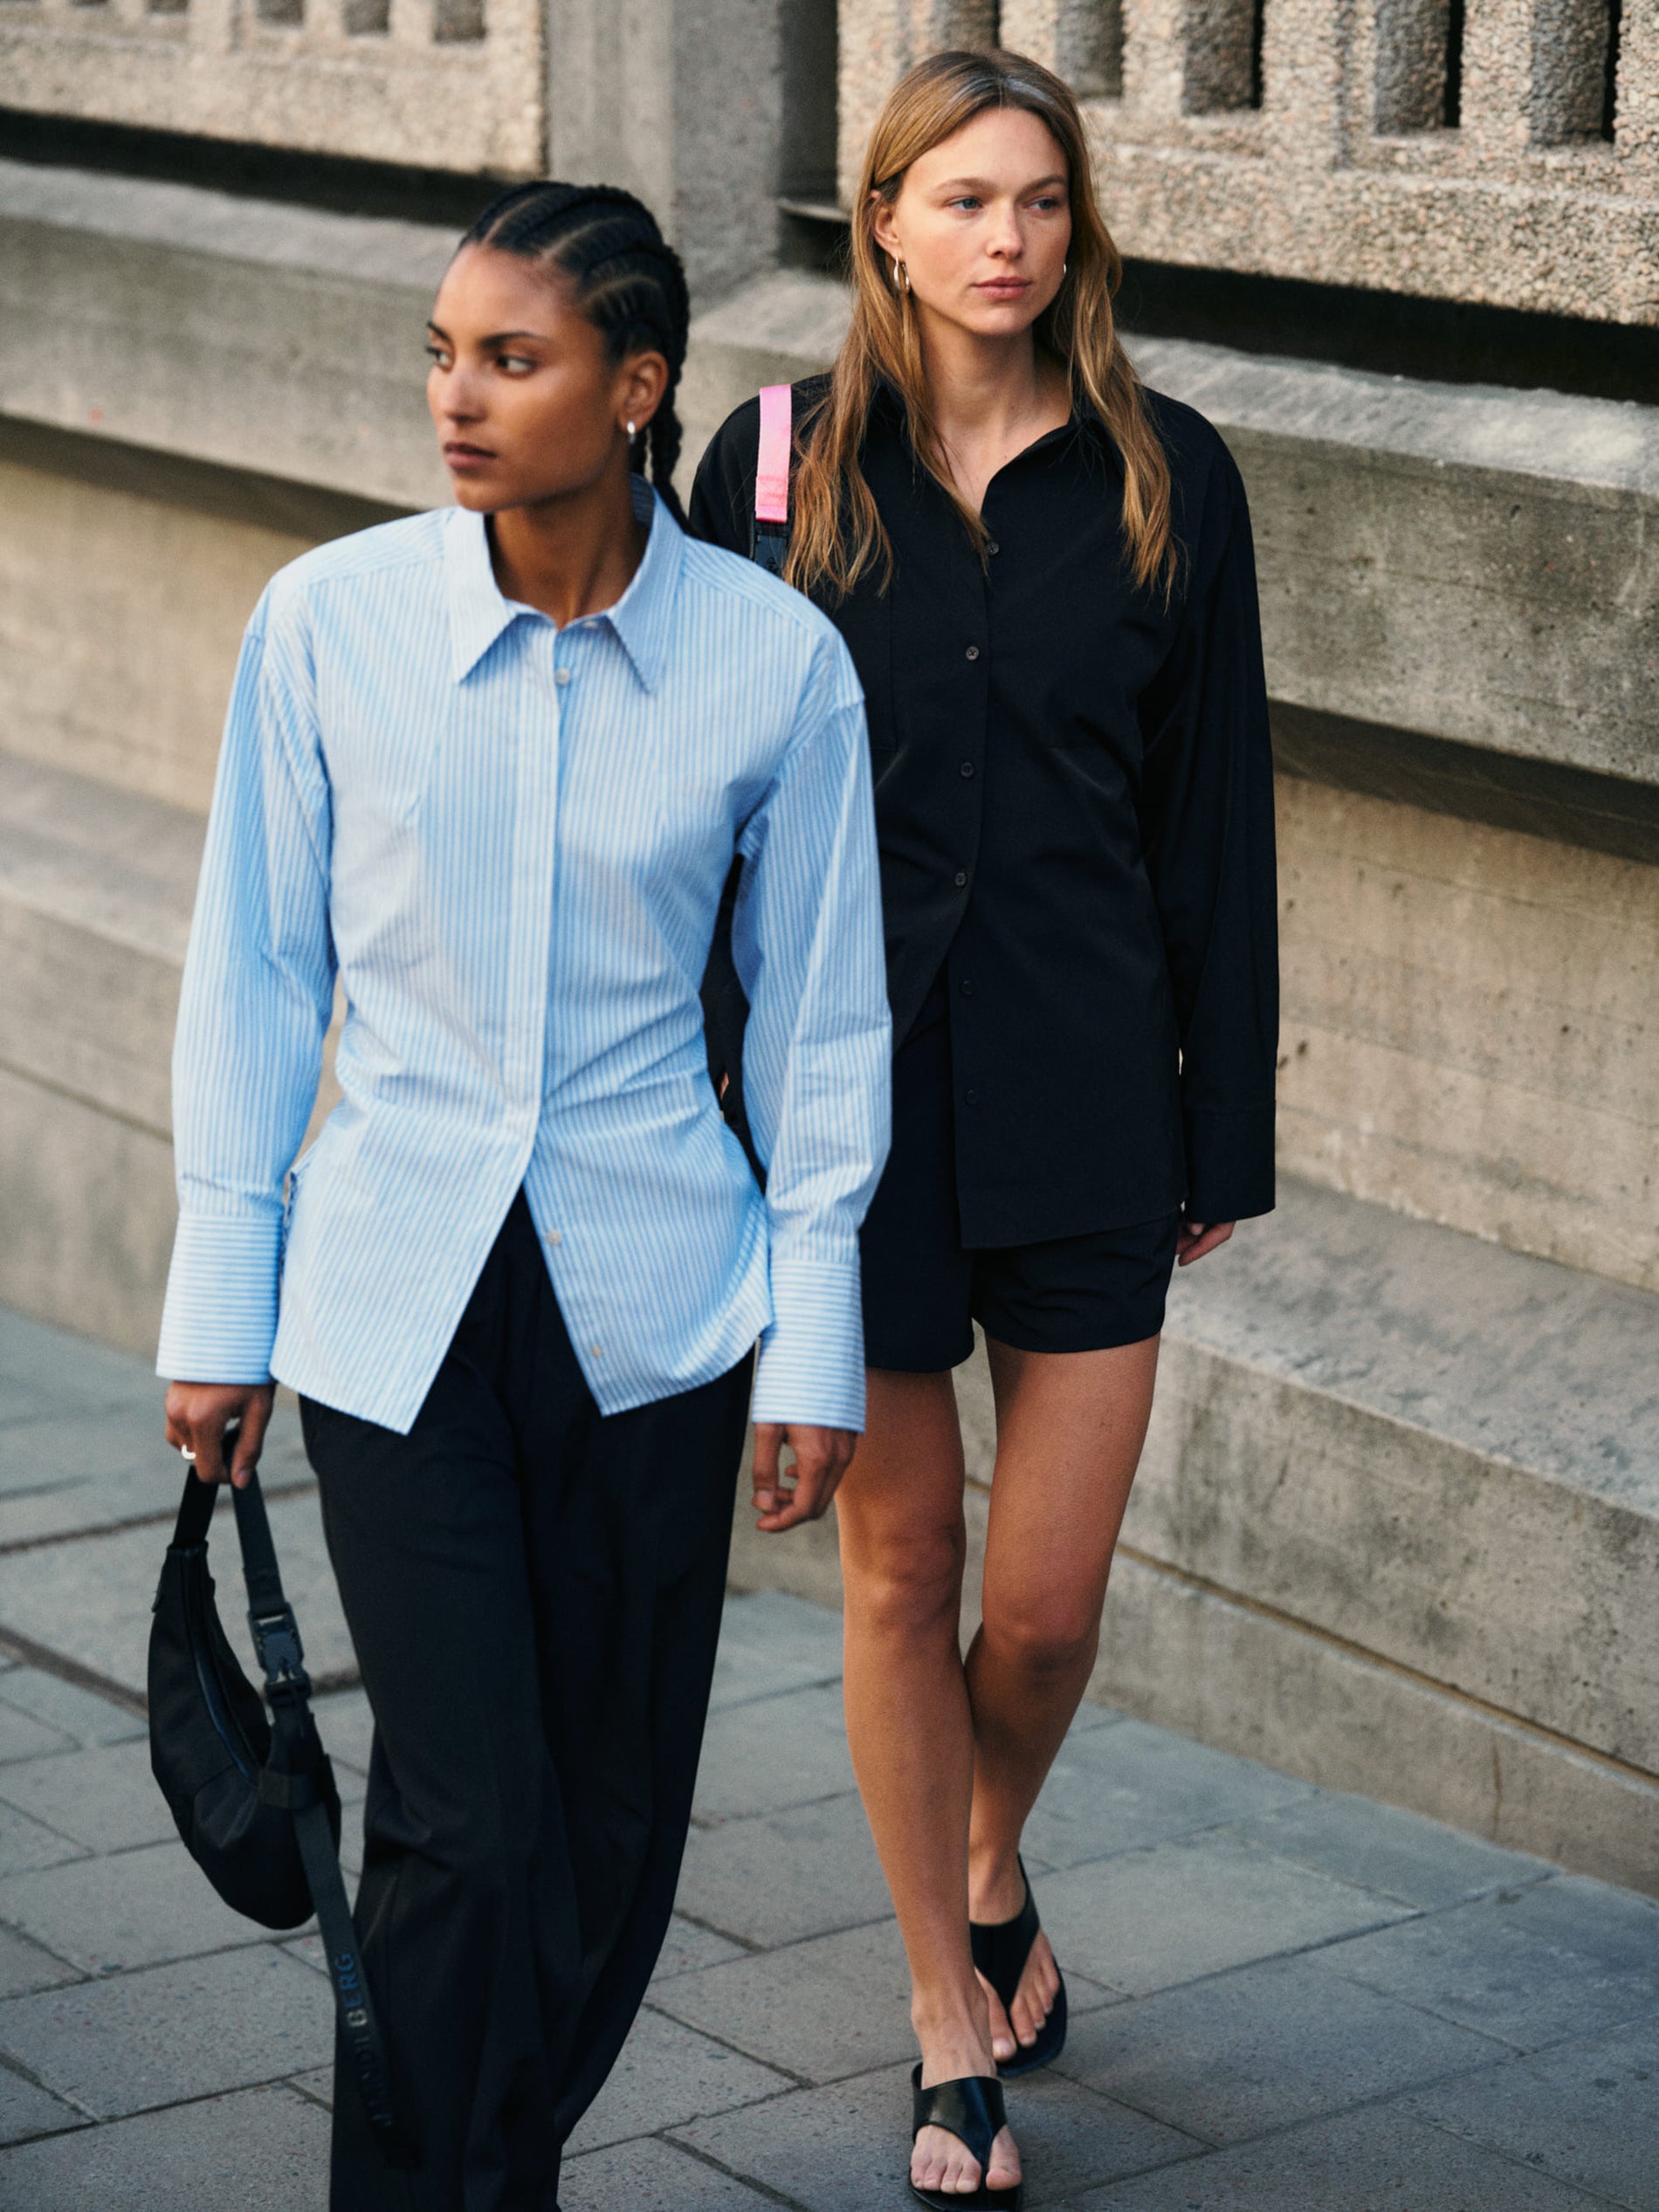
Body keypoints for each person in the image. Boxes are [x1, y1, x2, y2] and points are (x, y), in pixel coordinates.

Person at [159, 181, 890, 2211]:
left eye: (510, 357)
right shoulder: (330, 623)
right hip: (393, 1302)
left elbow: (825, 1033)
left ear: (636, 387)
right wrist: (225, 1305)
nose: (452, 399)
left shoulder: (773, 666)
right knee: (462, 1824)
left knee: (607, 1826)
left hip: (656, 1308)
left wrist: (811, 1342)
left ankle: (492, 2166)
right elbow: (255, 975)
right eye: (440, 351)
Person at [692, 49, 1277, 2209]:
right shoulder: (767, 468)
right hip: (838, 1106)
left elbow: (1214, 810)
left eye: (1038, 200)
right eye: (961, 200)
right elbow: (697, 812)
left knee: (1034, 1610)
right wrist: (706, 1107)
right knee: (901, 1568)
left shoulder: (1164, 472)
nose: (1005, 239)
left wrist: (1226, 1124)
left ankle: (980, 1841)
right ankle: (947, 2019)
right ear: (881, 223)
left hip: (1088, 1087)